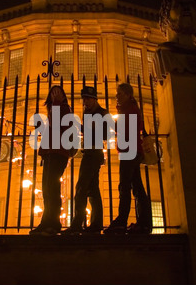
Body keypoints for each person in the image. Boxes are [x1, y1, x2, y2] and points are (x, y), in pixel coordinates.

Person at [104, 83, 152, 234]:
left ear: (127, 94)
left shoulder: (129, 109)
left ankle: (121, 221)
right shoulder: (131, 108)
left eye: (119, 93)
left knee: (125, 187)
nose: (117, 96)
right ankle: (144, 222)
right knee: (137, 187)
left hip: (129, 151)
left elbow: (125, 130)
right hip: (132, 151)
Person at [62, 86, 109, 235]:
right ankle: (96, 224)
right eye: (84, 99)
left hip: (94, 153)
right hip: (89, 152)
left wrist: (84, 127)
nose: (85, 102)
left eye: (87, 99)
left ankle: (77, 224)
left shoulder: (102, 113)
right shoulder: (88, 113)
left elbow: (105, 134)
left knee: (81, 188)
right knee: (92, 189)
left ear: (94, 99)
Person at [30, 85, 72, 236]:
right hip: (50, 153)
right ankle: (46, 221)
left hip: (58, 153)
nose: (55, 95)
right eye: (53, 93)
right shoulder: (54, 110)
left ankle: (53, 223)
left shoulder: (65, 109)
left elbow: (56, 126)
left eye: (58, 92)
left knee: (52, 189)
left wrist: (56, 104)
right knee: (47, 189)